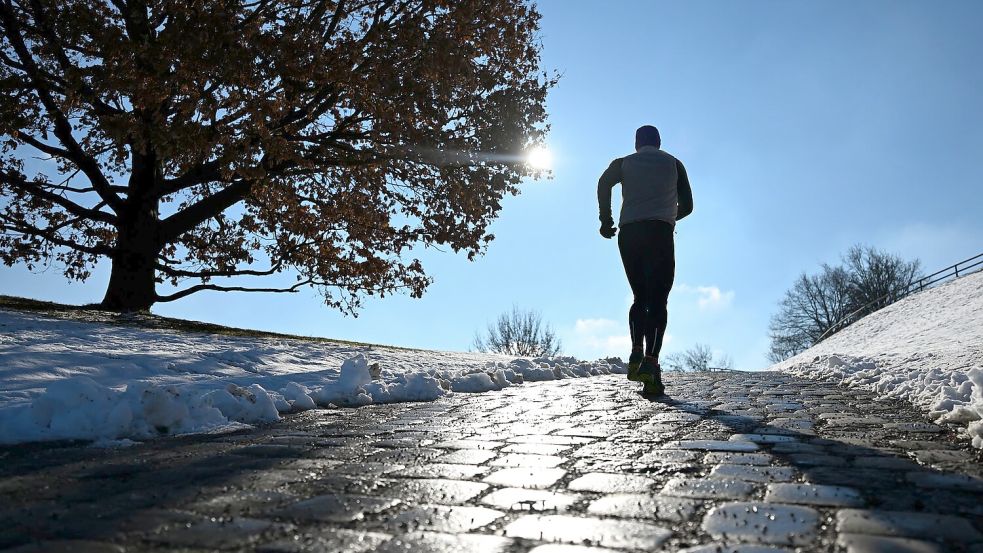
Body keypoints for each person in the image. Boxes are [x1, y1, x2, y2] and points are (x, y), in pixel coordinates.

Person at [597, 125, 693, 395]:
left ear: (636, 143)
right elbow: (688, 206)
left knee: (640, 296)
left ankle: (636, 351)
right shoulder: (674, 164)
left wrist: (605, 219)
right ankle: (651, 363)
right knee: (659, 299)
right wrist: (668, 215)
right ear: (659, 142)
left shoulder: (623, 163)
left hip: (630, 233)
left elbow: (603, 183)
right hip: (659, 232)